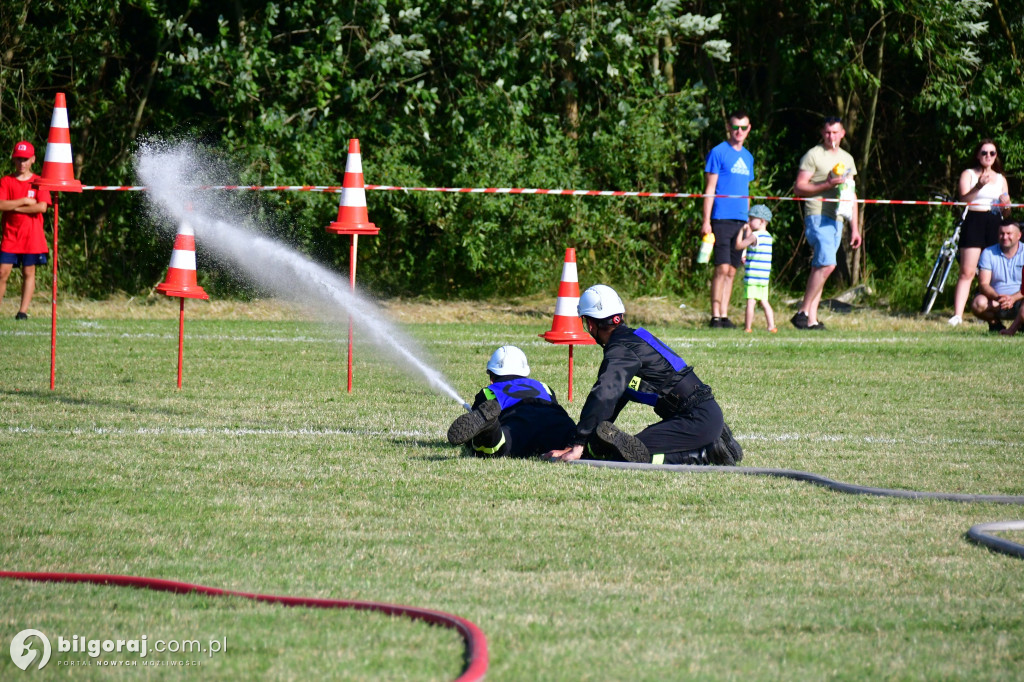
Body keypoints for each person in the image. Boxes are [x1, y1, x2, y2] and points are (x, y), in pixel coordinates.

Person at [544, 285, 742, 466]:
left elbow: (604, 393)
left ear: (590, 323)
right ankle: (712, 439)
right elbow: (613, 401)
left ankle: (706, 453)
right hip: (701, 415)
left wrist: (579, 445)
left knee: (628, 457)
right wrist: (580, 441)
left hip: (695, 420)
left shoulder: (620, 350)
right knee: (621, 447)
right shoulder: (634, 338)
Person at [791, 116, 862, 331]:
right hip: (817, 214)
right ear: (822, 133)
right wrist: (827, 184)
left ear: (843, 134)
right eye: (828, 132)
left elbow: (852, 195)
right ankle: (802, 311)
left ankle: (811, 319)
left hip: (838, 217)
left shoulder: (847, 159)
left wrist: (855, 228)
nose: (831, 136)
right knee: (829, 264)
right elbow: (799, 187)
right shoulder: (813, 155)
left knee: (820, 265)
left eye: (835, 132)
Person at [447, 345, 576, 458]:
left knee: (497, 445)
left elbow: (471, 430)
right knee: (571, 436)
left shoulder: (489, 391)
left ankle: (491, 428)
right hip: (556, 422)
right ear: (525, 373)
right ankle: (587, 441)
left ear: (492, 377)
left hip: (518, 423)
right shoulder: (543, 386)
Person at [949, 139, 1012, 326]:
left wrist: (1006, 206)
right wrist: (978, 186)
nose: (988, 157)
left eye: (992, 153)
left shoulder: (1001, 179)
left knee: (991, 273)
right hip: (974, 221)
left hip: (994, 223)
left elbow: (1007, 212)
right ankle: (958, 315)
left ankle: (992, 311)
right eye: (984, 153)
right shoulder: (968, 174)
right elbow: (964, 200)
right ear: (978, 155)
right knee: (967, 271)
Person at [701, 109, 754, 328]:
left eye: (743, 127)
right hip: (721, 217)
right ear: (729, 128)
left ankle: (724, 315)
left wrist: (749, 222)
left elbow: (747, 191)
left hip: (741, 220)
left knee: (732, 269)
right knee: (721, 267)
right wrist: (706, 220)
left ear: (748, 129)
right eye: (735, 127)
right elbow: (710, 188)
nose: (739, 131)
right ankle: (715, 316)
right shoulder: (718, 152)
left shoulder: (748, 157)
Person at [0, 141, 51, 320]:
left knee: (28, 272)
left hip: (31, 237)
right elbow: (1, 204)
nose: (22, 163)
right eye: (19, 159)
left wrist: (14, 208)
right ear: (14, 160)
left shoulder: (38, 182)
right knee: (2, 272)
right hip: (10, 236)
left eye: (25, 159)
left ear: (32, 160)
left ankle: (22, 312)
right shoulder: (6, 181)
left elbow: (41, 207)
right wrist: (23, 201)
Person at [970, 220, 1023, 332]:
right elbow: (983, 284)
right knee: (977, 303)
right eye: (1001, 233)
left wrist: (1013, 298)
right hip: (997, 301)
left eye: (1009, 234)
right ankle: (995, 325)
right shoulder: (988, 253)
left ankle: (1020, 325)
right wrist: (999, 298)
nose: (1004, 237)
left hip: (1021, 300)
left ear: (1019, 235)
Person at [734, 204, 777, 333]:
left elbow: (739, 246)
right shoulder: (768, 237)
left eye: (752, 218)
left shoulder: (755, 236)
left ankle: (748, 327)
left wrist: (741, 231)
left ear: (762, 221)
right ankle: (771, 326)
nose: (749, 221)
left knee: (751, 302)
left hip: (752, 276)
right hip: (763, 277)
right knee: (764, 302)